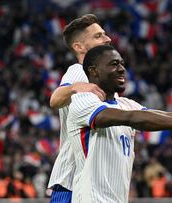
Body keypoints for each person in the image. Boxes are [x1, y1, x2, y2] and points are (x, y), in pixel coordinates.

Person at [67, 45, 172, 202]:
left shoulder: (124, 104)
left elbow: (163, 115)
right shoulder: (82, 101)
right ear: (93, 71)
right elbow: (131, 118)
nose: (122, 69)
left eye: (122, 64)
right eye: (113, 64)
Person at [47, 14, 109, 203]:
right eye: (98, 36)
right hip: (72, 182)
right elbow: (55, 99)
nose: (108, 39)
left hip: (94, 184)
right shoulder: (79, 71)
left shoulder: (101, 80)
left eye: (104, 34)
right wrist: (75, 87)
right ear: (79, 47)